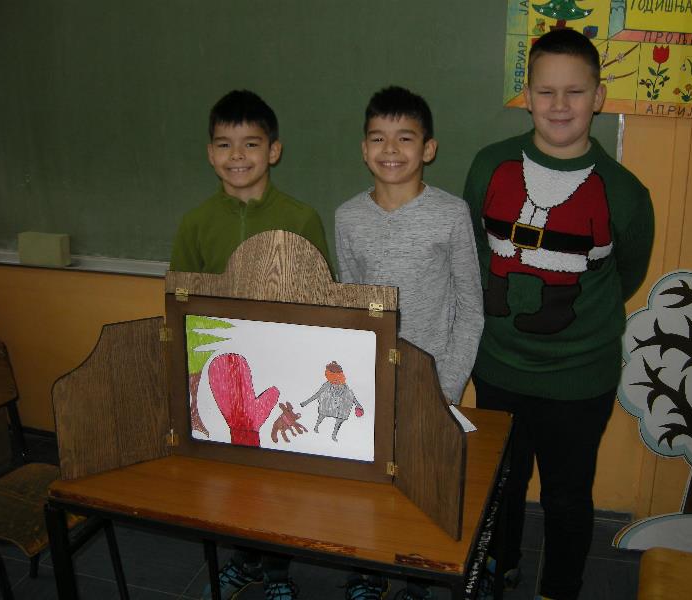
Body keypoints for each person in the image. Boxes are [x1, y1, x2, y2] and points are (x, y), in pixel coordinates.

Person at [463, 29, 655, 600]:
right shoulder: (490, 165)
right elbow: (473, 250)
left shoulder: (624, 191)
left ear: (599, 97)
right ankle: (500, 568)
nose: (560, 105)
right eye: (546, 91)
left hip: (579, 378)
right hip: (499, 367)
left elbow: (625, 273)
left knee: (567, 496)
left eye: (575, 91)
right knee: (502, 484)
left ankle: (560, 588)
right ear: (527, 97)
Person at [170, 89, 331, 600]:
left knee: (277, 471)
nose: (237, 156)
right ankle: (243, 560)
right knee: (230, 470)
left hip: (280, 367)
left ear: (274, 151)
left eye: (251, 144)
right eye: (224, 144)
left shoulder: (302, 218)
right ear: (210, 153)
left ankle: (279, 570)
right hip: (221, 372)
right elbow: (181, 301)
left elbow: (320, 300)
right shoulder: (196, 222)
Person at [336, 86, 484, 600]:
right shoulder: (348, 217)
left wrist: (448, 386)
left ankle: (416, 579)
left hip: (432, 381)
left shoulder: (451, 214)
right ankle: (366, 572)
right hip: (372, 380)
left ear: (429, 148)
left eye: (405, 137)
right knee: (370, 480)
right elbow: (351, 305)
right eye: (378, 138)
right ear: (364, 149)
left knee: (422, 486)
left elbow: (471, 308)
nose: (391, 149)